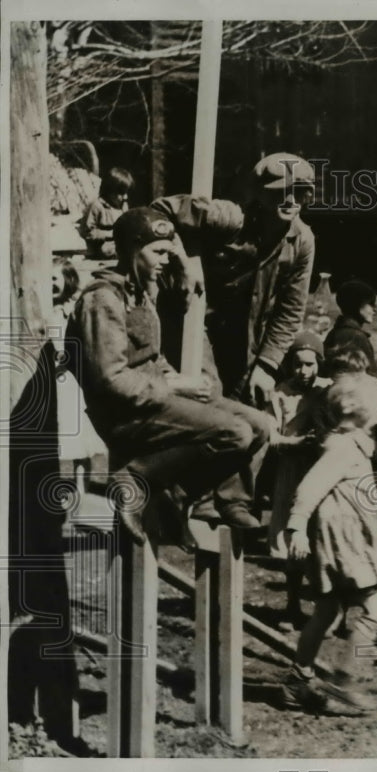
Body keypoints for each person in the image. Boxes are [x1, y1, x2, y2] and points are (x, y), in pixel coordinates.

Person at [66, 208, 270, 543]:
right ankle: (136, 477)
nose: (165, 259)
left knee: (259, 427)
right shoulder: (102, 298)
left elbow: (151, 356)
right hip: (125, 414)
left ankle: (175, 495)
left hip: (154, 402)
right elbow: (110, 378)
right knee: (234, 433)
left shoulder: (139, 293)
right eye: (157, 252)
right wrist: (173, 386)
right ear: (133, 250)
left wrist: (180, 383)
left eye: (167, 251)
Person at [152, 152, 316, 406]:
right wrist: (182, 262)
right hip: (197, 322)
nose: (289, 201)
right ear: (261, 196)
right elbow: (158, 212)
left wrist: (267, 365)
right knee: (208, 396)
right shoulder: (229, 218)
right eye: (279, 193)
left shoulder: (302, 241)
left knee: (246, 405)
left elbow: (290, 310)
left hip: (244, 339)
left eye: (299, 192)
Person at [281, 372, 377, 716]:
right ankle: (342, 683)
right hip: (345, 542)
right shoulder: (344, 447)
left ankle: (296, 681)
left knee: (327, 609)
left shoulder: (352, 445)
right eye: (376, 411)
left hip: (342, 539)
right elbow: (309, 488)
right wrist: (296, 527)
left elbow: (362, 492)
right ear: (353, 410)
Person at [267, 331, 333, 631]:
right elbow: (271, 437)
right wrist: (293, 443)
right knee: (291, 537)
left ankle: (326, 609)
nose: (303, 371)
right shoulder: (280, 393)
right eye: (297, 364)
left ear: (319, 364)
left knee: (322, 539)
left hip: (320, 472)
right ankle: (292, 605)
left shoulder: (328, 390)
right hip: (291, 471)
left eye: (309, 364)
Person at [51, 257, 107, 472]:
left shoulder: (73, 310)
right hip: (53, 378)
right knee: (61, 433)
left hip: (72, 379)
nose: (51, 284)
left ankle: (82, 481)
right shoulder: (42, 311)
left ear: (68, 280)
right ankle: (62, 486)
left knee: (80, 430)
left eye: (55, 278)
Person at [79, 167, 134, 259]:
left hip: (120, 244)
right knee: (107, 251)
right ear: (109, 190)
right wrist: (111, 234)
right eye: (121, 193)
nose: (125, 197)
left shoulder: (123, 206)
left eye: (126, 193)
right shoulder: (97, 206)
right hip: (102, 248)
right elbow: (87, 232)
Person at [324, 280, 377, 370]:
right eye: (371, 304)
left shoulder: (337, 331)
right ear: (356, 305)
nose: (375, 310)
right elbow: (371, 377)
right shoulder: (356, 337)